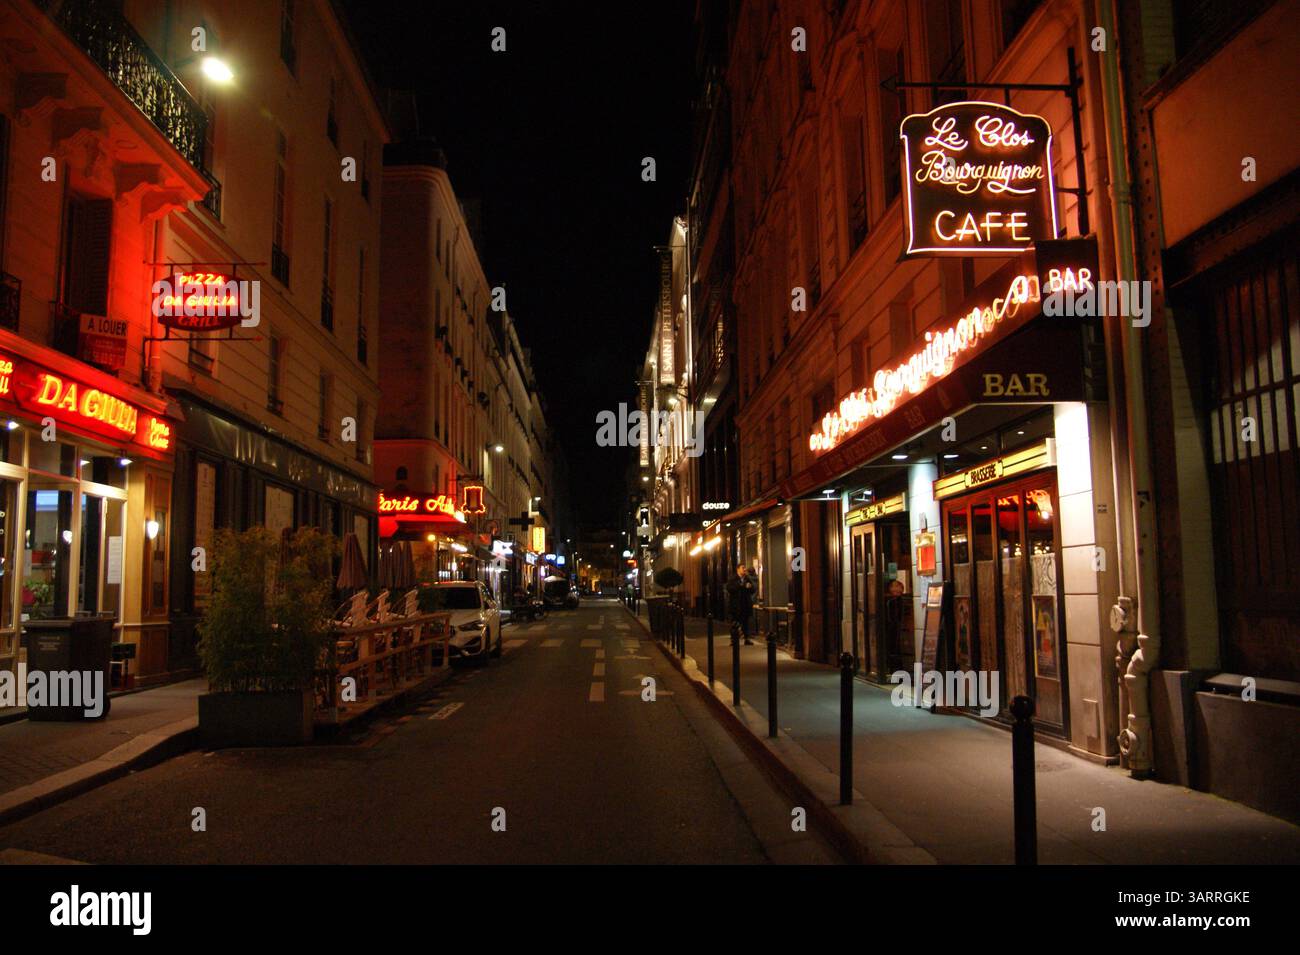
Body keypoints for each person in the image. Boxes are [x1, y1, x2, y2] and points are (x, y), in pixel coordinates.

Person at [726, 563, 756, 645]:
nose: (744, 569)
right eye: (743, 568)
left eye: (745, 568)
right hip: (736, 605)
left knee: (745, 622)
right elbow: (729, 588)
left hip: (745, 604)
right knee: (735, 622)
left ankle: (747, 638)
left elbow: (753, 589)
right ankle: (734, 639)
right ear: (738, 569)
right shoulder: (733, 578)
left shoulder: (747, 578)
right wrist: (740, 585)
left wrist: (750, 587)